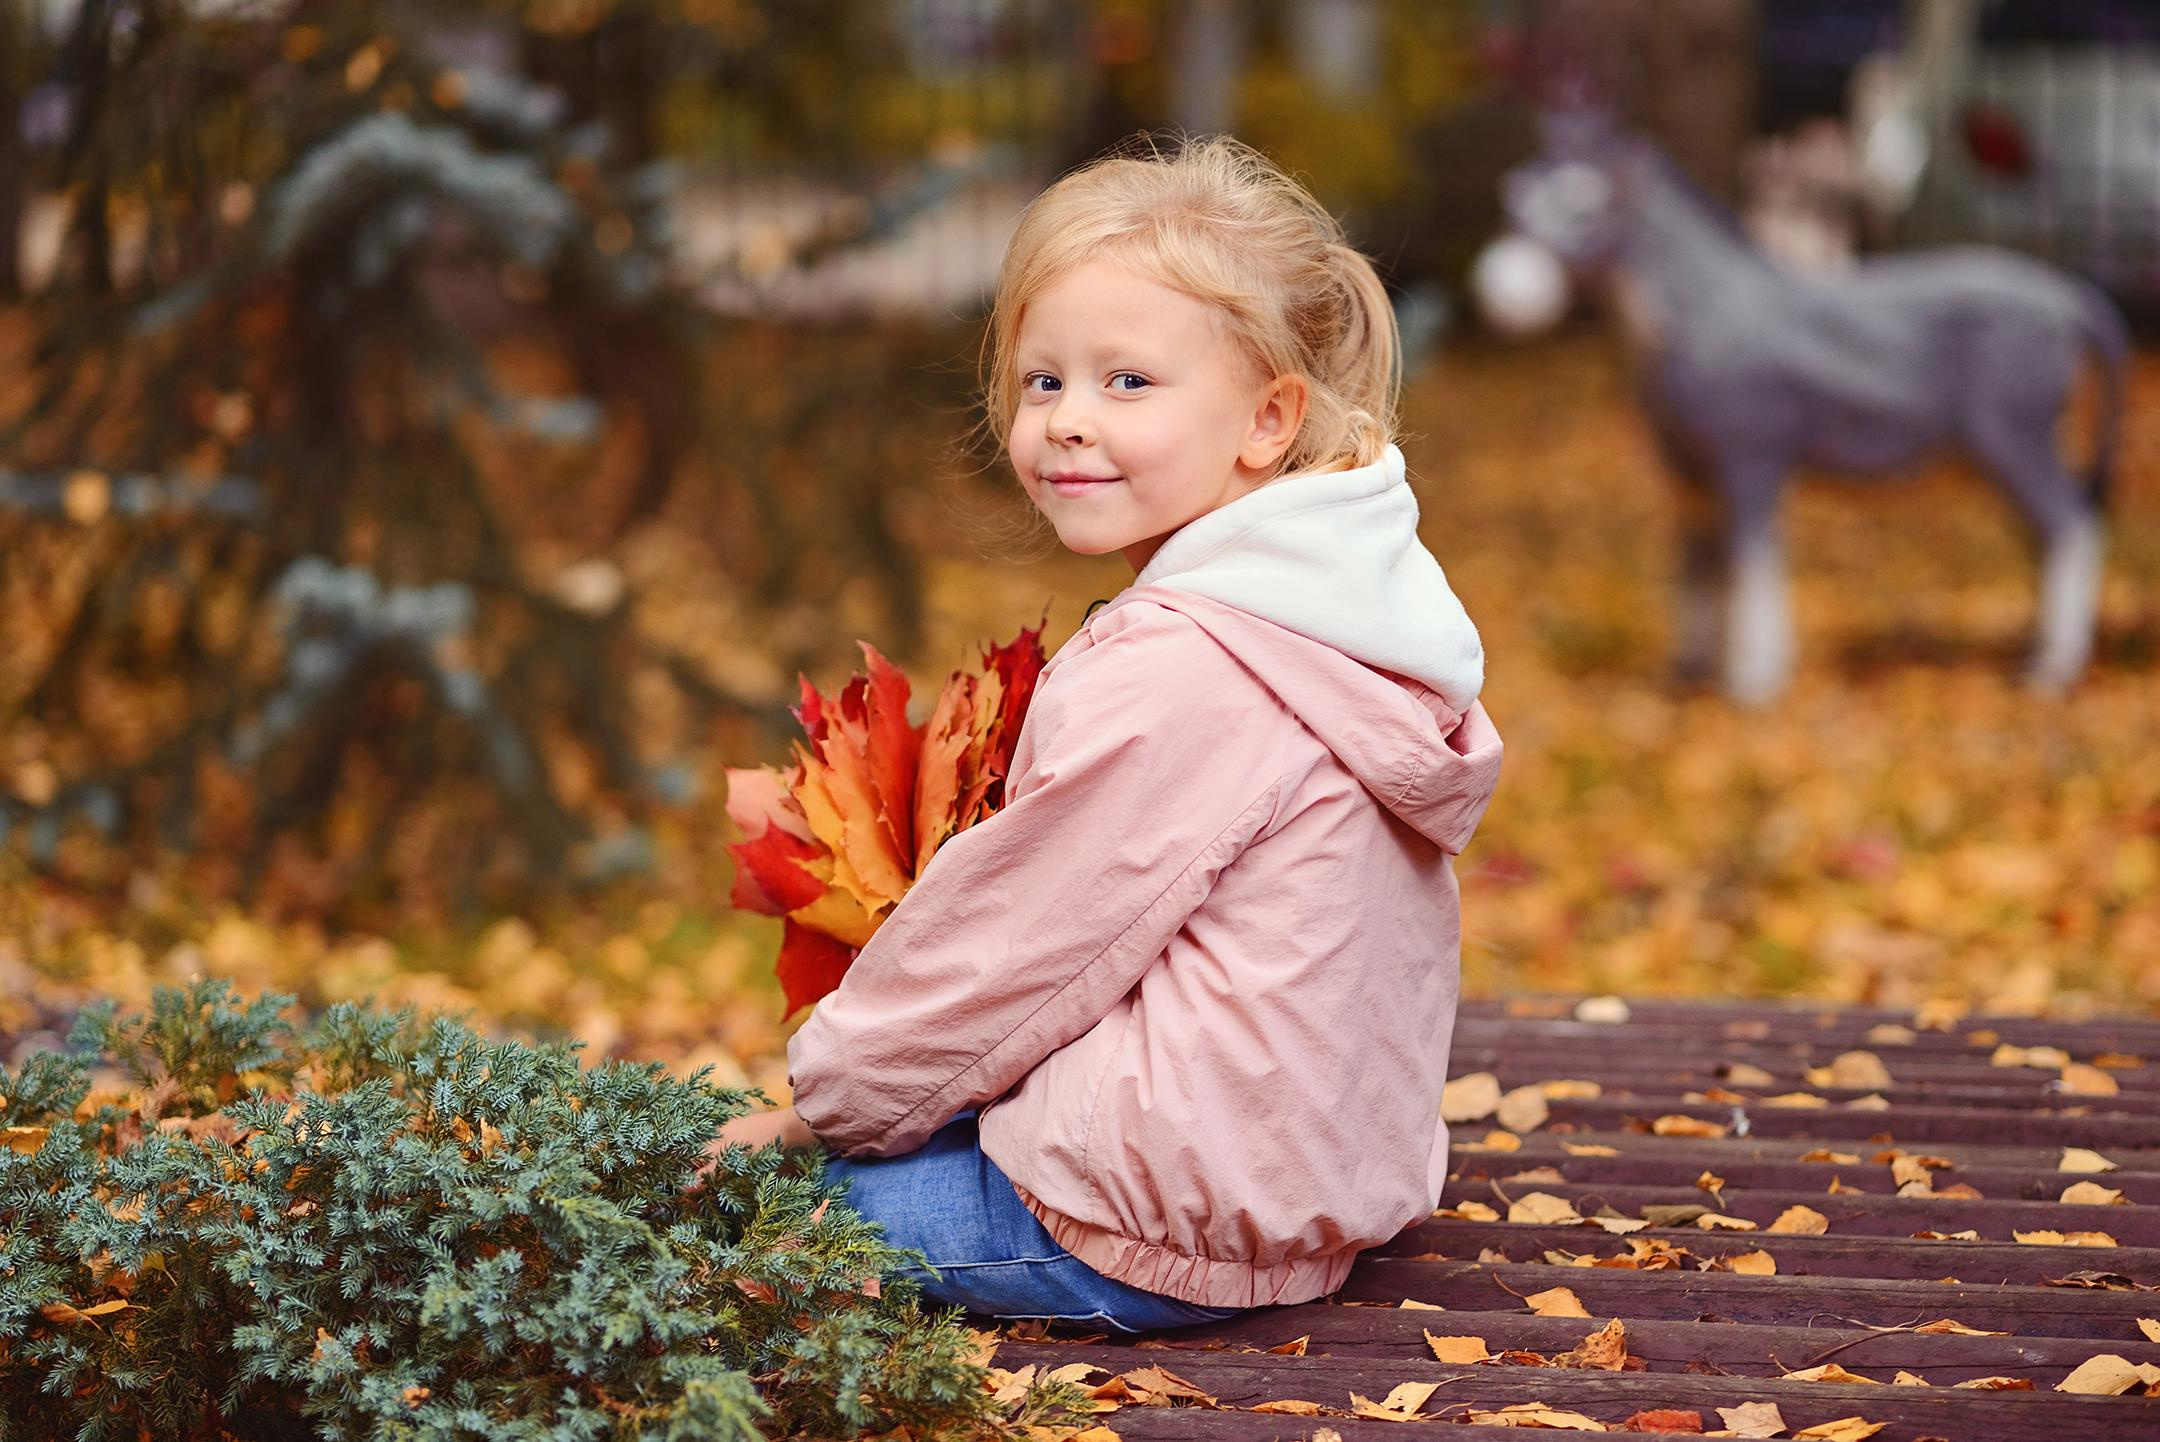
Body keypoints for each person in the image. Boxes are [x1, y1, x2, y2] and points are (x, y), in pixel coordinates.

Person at [701, 133, 1504, 1333]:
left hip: (1131, 1223)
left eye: (1127, 383)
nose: (1069, 421)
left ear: (1266, 418)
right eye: (1045, 381)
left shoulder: (1183, 664)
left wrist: (823, 1105)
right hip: (1284, 1184)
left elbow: (1019, 941)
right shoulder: (1338, 607)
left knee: (706, 1214)